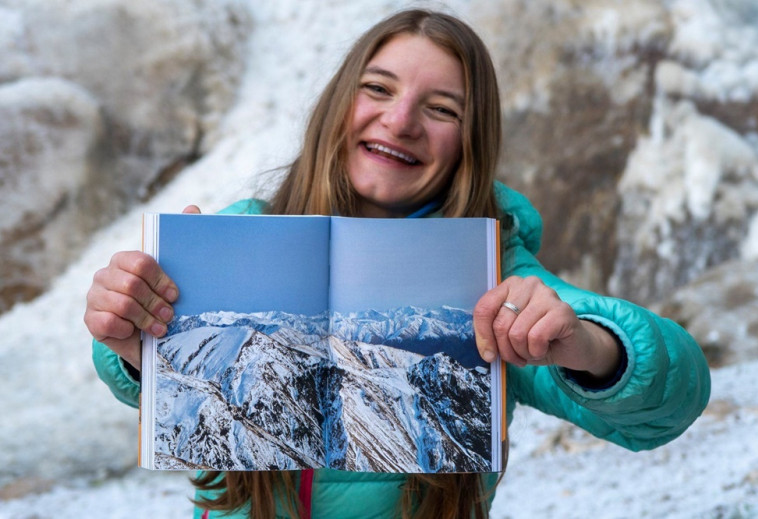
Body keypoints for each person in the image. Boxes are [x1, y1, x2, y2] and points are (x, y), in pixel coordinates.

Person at [85, 8, 711, 519]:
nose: (401, 120)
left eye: (442, 109)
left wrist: (591, 348)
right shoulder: (245, 231)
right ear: (339, 103)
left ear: (470, 141)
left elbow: (673, 399)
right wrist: (136, 334)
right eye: (378, 89)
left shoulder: (491, 271)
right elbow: (157, 374)